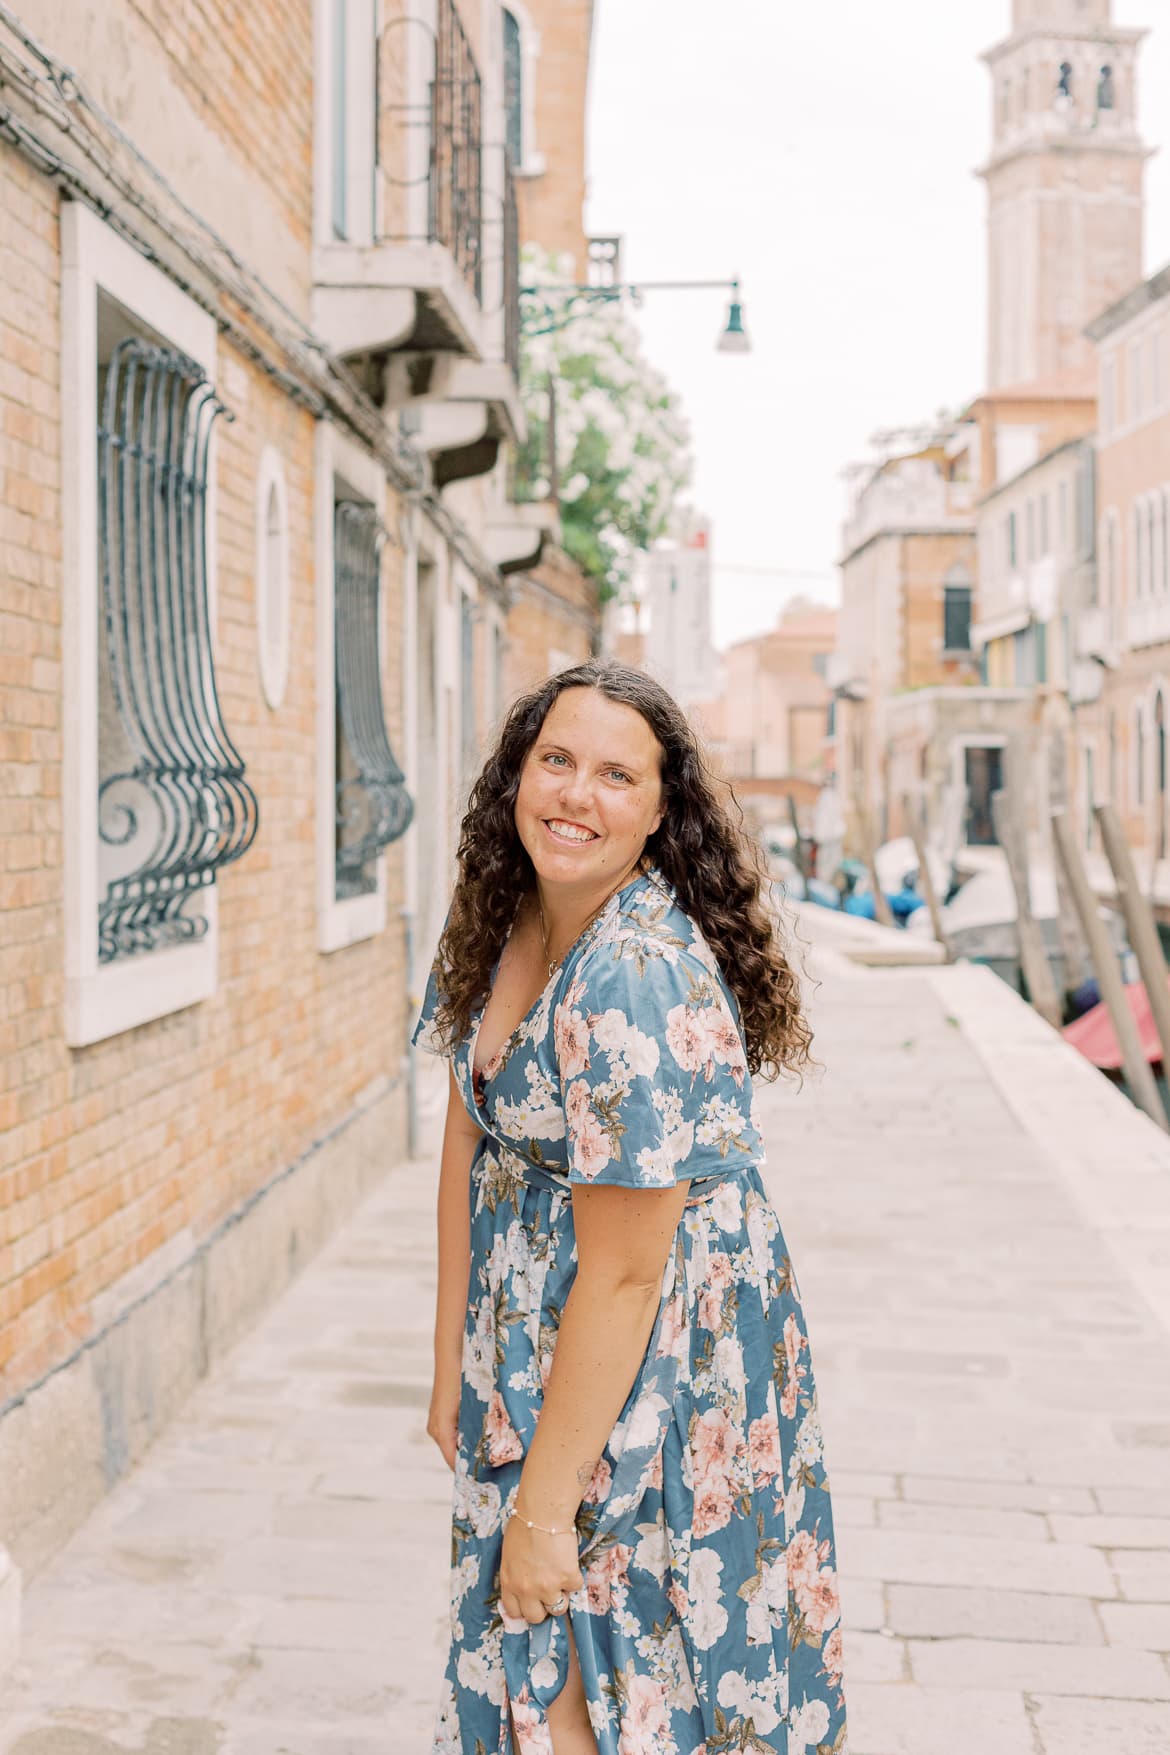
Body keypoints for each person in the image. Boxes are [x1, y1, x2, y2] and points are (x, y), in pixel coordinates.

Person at [413, 661, 848, 1755]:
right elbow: (470, 1135)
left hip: (649, 1364)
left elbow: (624, 1272)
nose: (575, 794)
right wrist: (448, 1371)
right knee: (539, 1649)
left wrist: (547, 1505)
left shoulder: (634, 978)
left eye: (617, 774)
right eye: (555, 760)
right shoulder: (505, 914)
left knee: (585, 1657)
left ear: (662, 814)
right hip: (535, 1347)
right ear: (516, 773)